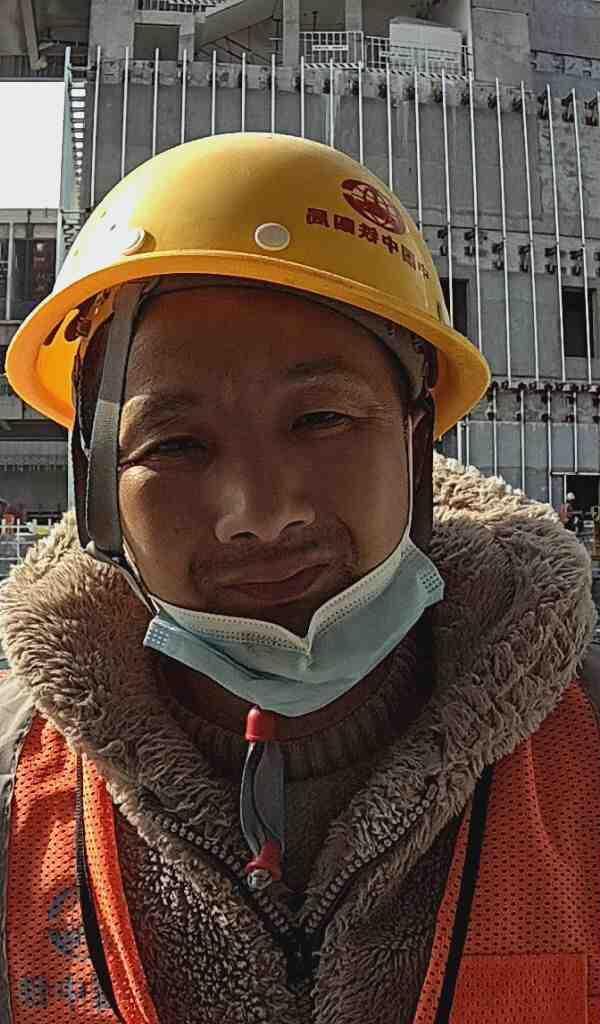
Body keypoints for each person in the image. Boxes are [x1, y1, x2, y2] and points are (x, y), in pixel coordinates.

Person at [0, 133, 598, 1024]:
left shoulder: (584, 740)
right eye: (176, 445)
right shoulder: (16, 782)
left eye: (321, 420)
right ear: (96, 487)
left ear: (416, 438)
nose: (260, 512)